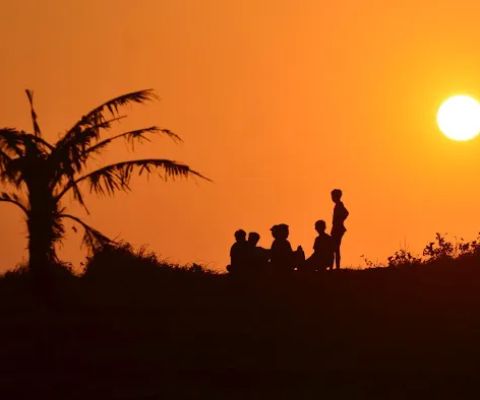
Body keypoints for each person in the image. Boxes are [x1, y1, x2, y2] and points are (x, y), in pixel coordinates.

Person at [330, 189, 349, 269]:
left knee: (335, 248)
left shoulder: (339, 205)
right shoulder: (338, 205)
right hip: (336, 228)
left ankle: (336, 267)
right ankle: (334, 267)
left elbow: (346, 213)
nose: (332, 198)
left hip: (338, 229)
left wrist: (340, 221)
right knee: (334, 248)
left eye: (333, 196)